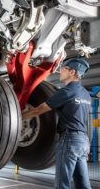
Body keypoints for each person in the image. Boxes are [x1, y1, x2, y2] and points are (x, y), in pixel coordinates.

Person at [22, 57, 91, 189]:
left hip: (69, 140)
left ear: (72, 72)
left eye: (63, 69)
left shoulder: (67, 92)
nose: (60, 72)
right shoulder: (85, 94)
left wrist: (18, 117)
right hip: (83, 141)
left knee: (62, 184)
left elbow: (39, 110)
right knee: (83, 183)